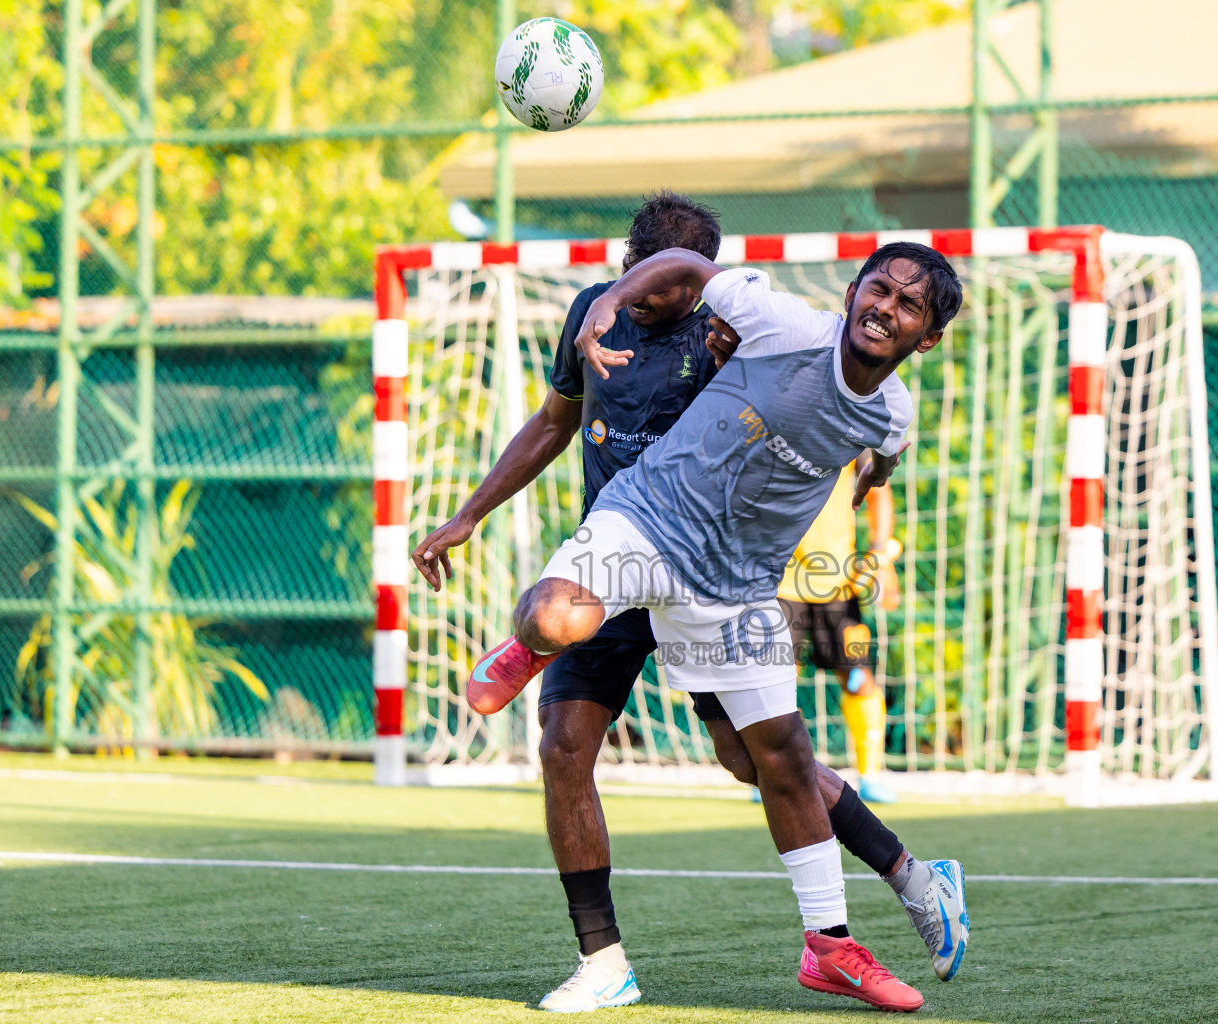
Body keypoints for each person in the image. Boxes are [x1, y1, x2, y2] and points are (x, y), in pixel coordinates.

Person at [413, 198, 967, 1012]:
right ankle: (602, 961)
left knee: (767, 760)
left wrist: (870, 487)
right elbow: (555, 418)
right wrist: (472, 508)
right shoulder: (650, 315)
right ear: (852, 291)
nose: (644, 296)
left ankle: (882, 901)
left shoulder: (787, 352)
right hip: (637, 533)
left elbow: (880, 446)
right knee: (562, 722)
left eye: (906, 303)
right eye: (877, 289)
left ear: (926, 335)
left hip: (730, 583)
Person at [778, 455, 903, 804]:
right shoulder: (774, 425)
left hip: (837, 584)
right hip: (781, 582)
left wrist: (881, 559)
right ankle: (771, 774)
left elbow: (878, 489)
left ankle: (870, 775)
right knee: (776, 680)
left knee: (858, 677)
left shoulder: (848, 431)